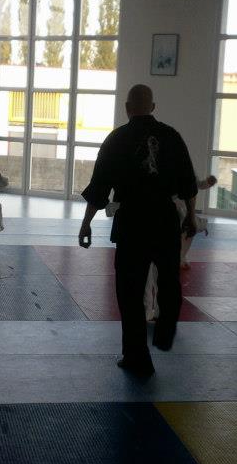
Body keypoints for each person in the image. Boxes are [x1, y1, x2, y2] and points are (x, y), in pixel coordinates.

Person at [79, 84, 199, 378]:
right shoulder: (171, 136)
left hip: (132, 220)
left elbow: (100, 187)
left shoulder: (117, 139)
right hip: (164, 218)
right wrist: (192, 217)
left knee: (130, 292)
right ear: (153, 107)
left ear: (127, 107)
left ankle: (136, 356)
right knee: (169, 279)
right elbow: (187, 183)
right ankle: (164, 332)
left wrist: (86, 223)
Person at [143, 174, 217, 322]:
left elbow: (195, 185)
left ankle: (153, 311)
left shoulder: (179, 169)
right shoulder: (175, 163)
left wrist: (206, 184)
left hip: (167, 219)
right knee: (154, 271)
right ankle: (153, 311)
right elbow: (193, 187)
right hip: (162, 218)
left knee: (154, 271)